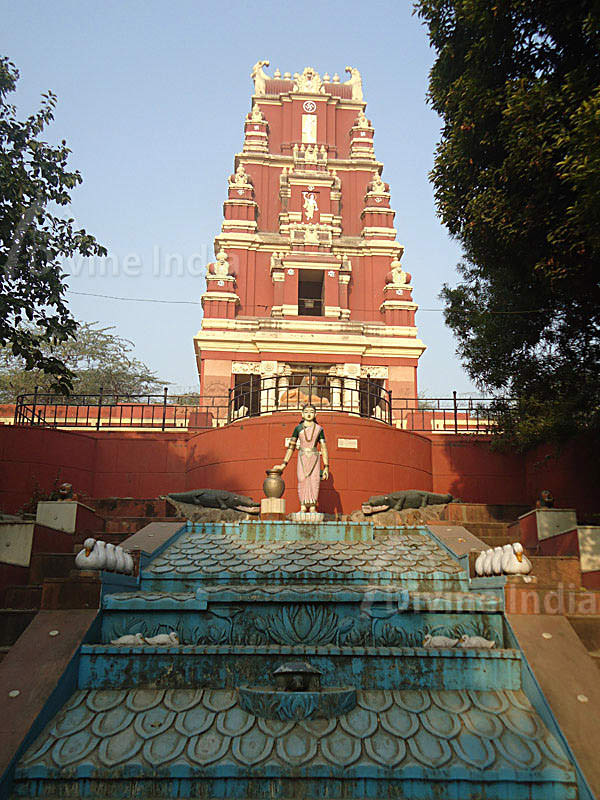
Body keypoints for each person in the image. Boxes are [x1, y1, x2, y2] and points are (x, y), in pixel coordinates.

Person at [272, 404, 329, 513]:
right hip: (302, 457)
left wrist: (326, 466)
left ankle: (312, 506)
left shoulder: (319, 429)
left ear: (315, 414)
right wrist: (284, 464)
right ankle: (303, 506)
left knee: (314, 481)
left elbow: (324, 448)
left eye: (311, 411)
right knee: (302, 480)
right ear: (302, 414)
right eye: (306, 411)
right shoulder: (298, 428)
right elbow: (291, 447)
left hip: (314, 458)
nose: (309, 414)